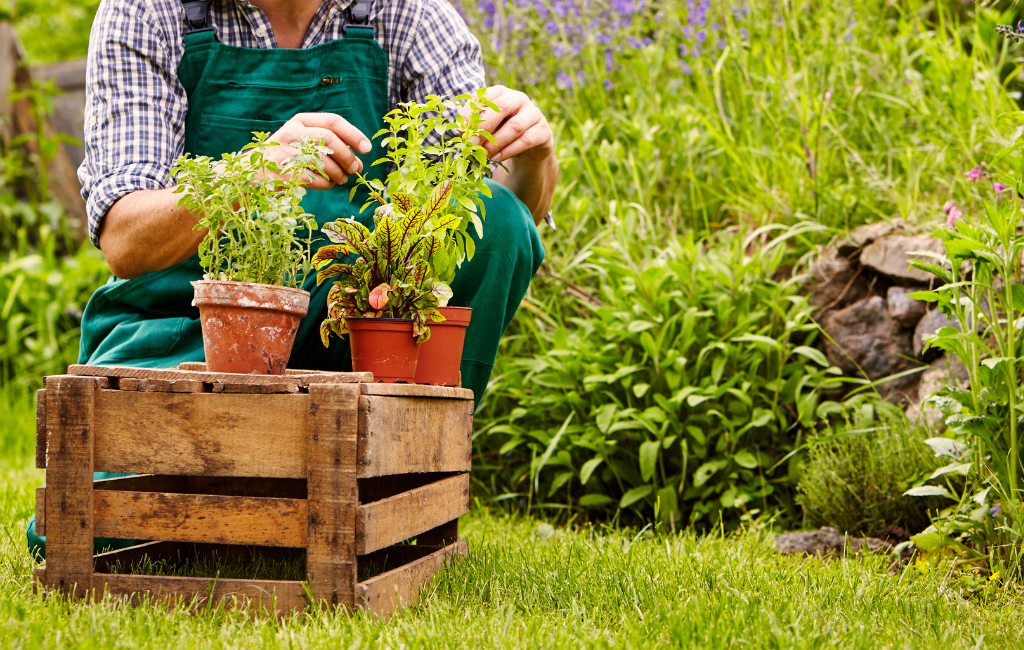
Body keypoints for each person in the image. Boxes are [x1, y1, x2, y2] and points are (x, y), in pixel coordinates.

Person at [27, 0, 556, 558]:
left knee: (494, 216)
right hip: (185, 331)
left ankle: (392, 480)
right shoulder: (150, 11)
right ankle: (288, 488)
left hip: (353, 337)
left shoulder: (405, 12)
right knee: (108, 518)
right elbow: (124, 239)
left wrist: (531, 159)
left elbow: (496, 221)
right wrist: (252, 172)